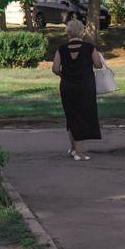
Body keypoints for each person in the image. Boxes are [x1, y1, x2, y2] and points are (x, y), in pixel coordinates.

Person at [52, 16, 105, 160]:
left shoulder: (61, 49)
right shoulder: (89, 48)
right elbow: (98, 65)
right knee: (82, 116)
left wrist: (65, 74)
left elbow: (55, 69)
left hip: (67, 86)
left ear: (68, 32)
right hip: (85, 86)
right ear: (82, 32)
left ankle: (74, 149)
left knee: (71, 116)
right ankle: (80, 153)